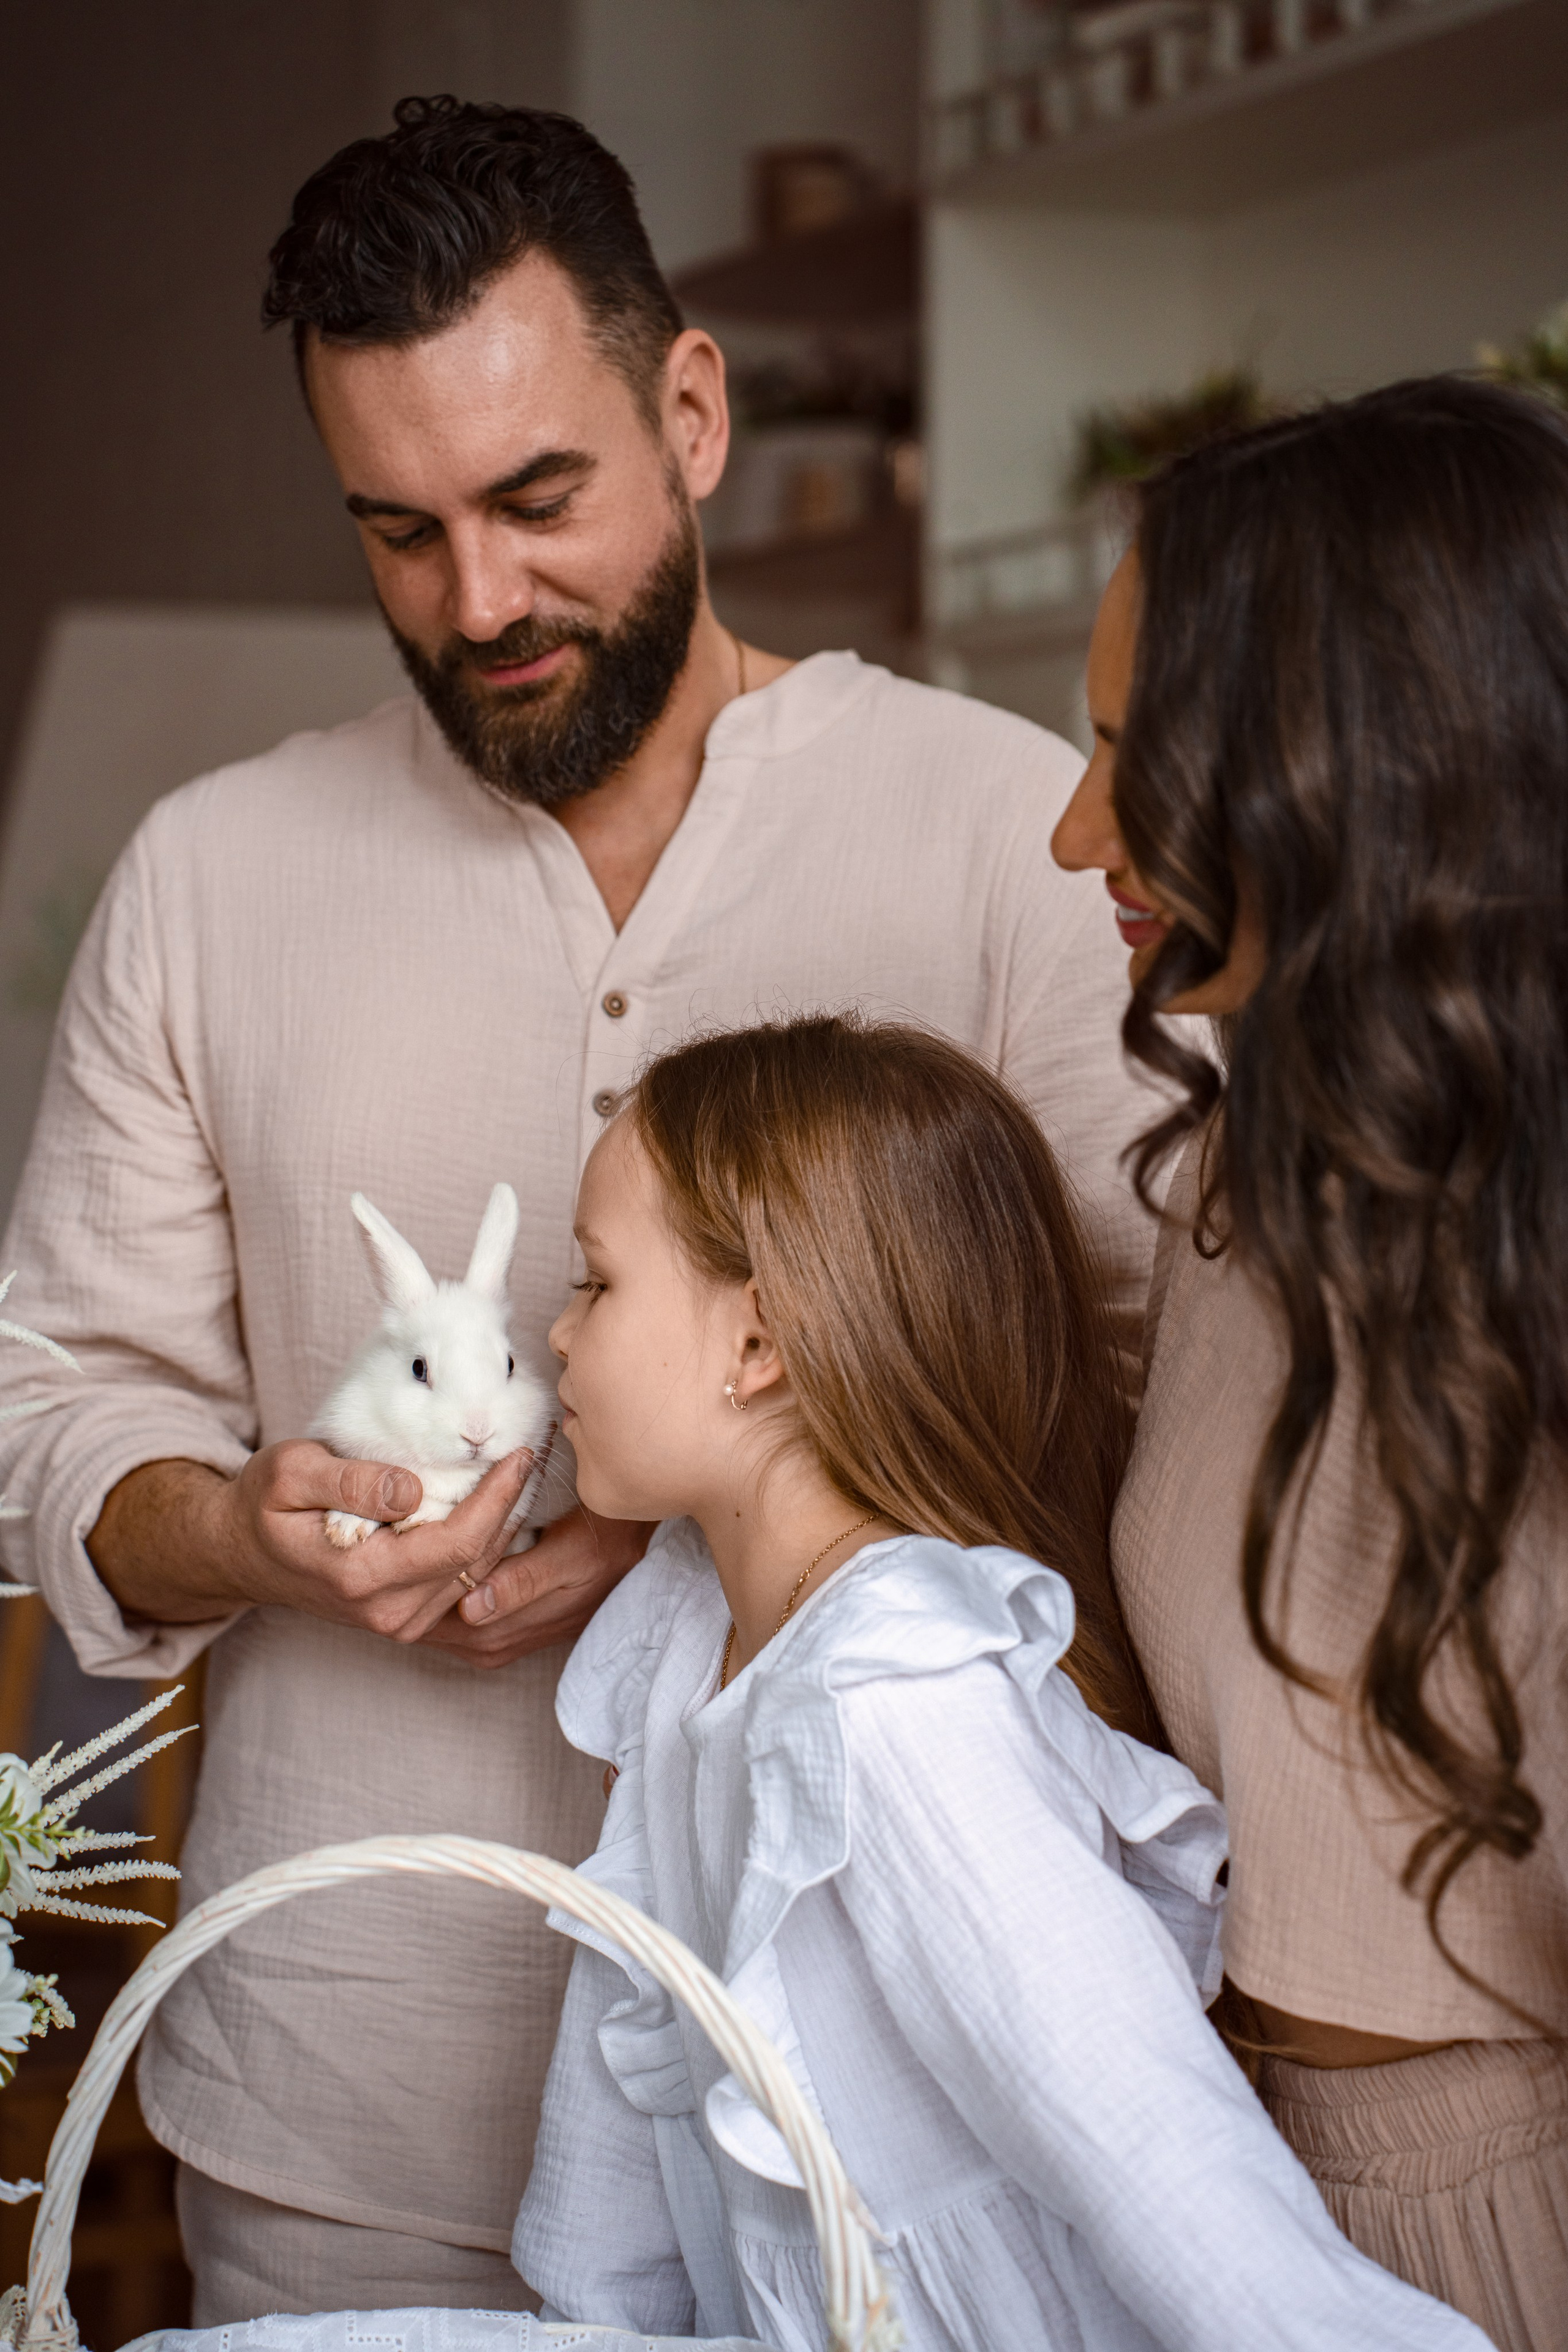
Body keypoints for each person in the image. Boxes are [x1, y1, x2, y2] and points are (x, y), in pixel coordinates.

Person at [0, 100, 1158, 2324]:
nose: (483, 599)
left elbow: (1133, 1398)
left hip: (888, 2122)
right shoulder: (208, 876)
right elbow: (59, 1417)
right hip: (341, 2097)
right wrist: (249, 1531)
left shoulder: (1011, 829)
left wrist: (716, 1498)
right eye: (402, 531)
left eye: (541, 501)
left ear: (694, 411)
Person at [511, 1012, 1487, 2351]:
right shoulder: (683, 1646)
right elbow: (620, 2139)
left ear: (758, 1343)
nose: (553, 1337)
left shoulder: (896, 1700)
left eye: (594, 1284)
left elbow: (1151, 2152)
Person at [1051, 375, 1568, 2352]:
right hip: (1231, 2188)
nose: (1071, 827)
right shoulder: (1234, 1198)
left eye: (1130, 753)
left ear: (1357, 763)